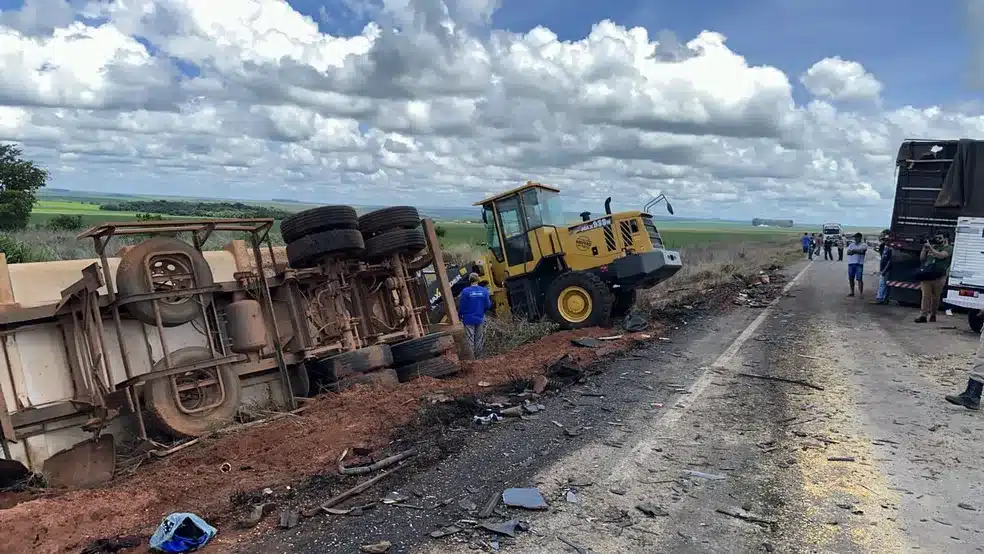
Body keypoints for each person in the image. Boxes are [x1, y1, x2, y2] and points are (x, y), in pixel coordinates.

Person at [914, 232, 953, 323]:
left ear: (946, 239)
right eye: (936, 238)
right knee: (925, 296)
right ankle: (923, 315)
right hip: (927, 274)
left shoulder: (949, 248)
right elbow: (922, 258)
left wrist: (931, 248)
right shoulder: (934, 246)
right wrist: (924, 248)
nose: (937, 240)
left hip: (939, 276)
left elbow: (941, 256)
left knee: (935, 297)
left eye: (939, 238)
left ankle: (933, 314)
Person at [457, 272, 492, 357]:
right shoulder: (484, 291)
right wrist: (481, 312)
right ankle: (479, 360)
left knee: (470, 340)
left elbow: (462, 306)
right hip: (479, 318)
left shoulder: (465, 291)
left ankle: (472, 360)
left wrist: (460, 315)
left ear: (469, 280)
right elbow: (488, 305)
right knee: (479, 340)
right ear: (478, 280)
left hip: (468, 319)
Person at [873, 230, 893, 305]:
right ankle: (883, 298)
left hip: (886, 269)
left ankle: (881, 298)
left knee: (883, 284)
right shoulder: (885, 247)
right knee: (883, 283)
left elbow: (890, 261)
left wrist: (884, 270)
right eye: (885, 240)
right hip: (883, 268)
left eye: (887, 240)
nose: (885, 241)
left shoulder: (890, 249)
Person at [846, 232, 867, 297]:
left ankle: (861, 293)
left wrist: (853, 251)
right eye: (854, 237)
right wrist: (857, 251)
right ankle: (852, 292)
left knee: (859, 279)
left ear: (860, 237)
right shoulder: (851, 245)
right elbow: (848, 253)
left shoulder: (864, 245)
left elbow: (862, 252)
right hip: (851, 263)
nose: (855, 239)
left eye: (856, 237)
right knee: (851, 278)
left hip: (859, 264)